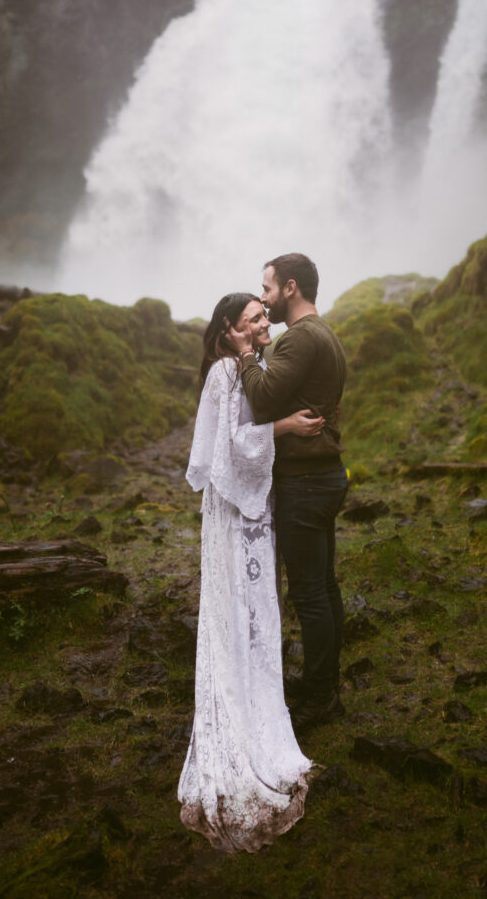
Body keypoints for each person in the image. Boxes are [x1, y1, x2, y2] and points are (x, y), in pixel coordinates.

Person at [178, 292, 324, 853]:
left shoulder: (252, 367)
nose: (266, 322)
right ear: (230, 330)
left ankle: (265, 705)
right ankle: (235, 721)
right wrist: (284, 426)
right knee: (237, 607)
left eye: (264, 316)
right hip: (233, 512)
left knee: (260, 609)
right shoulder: (223, 373)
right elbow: (226, 449)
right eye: (255, 319)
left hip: (254, 511)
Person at [227, 254, 348, 734]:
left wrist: (243, 355)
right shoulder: (327, 333)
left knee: (309, 593)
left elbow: (266, 396)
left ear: (291, 288)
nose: (263, 299)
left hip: (305, 481)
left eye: (268, 290)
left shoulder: (299, 337)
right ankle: (326, 683)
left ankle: (320, 695)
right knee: (326, 587)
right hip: (325, 475)